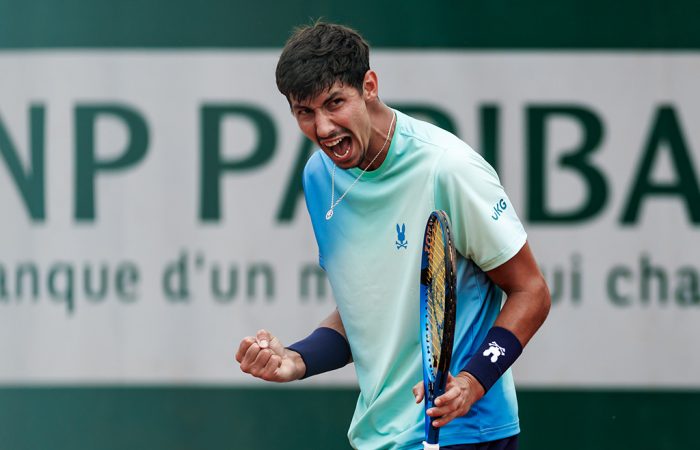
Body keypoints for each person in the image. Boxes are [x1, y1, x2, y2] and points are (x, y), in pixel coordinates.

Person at [236, 21, 551, 450]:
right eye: (305, 112)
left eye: (334, 103)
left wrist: (472, 381)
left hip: (463, 432)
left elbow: (531, 291)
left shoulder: (447, 168)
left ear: (369, 86)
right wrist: (297, 359)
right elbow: (367, 309)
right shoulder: (318, 177)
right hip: (379, 436)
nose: (323, 128)